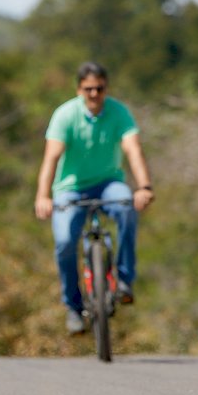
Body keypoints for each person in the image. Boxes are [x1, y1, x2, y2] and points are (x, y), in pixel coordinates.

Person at [34, 61, 155, 335]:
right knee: (65, 242)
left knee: (126, 209)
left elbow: (133, 150)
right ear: (79, 89)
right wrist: (43, 196)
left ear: (106, 88)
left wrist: (144, 186)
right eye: (88, 89)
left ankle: (124, 281)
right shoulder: (65, 115)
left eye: (99, 88)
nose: (94, 94)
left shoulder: (119, 112)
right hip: (70, 188)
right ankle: (73, 308)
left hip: (109, 183)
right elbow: (51, 158)